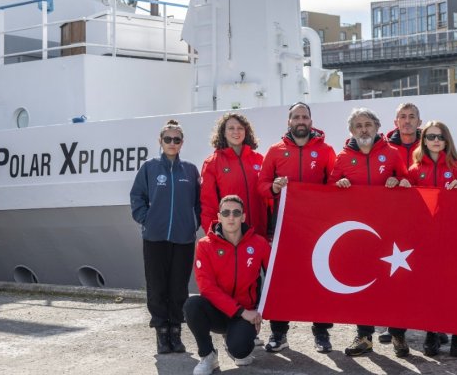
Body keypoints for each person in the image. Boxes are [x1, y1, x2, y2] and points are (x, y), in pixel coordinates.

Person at [257, 102, 337, 353]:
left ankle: (321, 332)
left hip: (317, 226)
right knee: (282, 279)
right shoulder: (275, 150)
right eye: (296, 117)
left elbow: (334, 184)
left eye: (305, 116)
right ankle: (279, 333)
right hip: (283, 226)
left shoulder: (326, 150)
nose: (300, 120)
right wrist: (274, 188)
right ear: (289, 122)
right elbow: (262, 185)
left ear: (311, 122)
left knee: (319, 276)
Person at [330, 107, 410, 357]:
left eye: (367, 124)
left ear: (376, 127)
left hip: (390, 231)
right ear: (352, 131)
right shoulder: (342, 157)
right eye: (358, 126)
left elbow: (408, 183)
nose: (363, 129)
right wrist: (339, 184)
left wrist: (397, 181)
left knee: (393, 284)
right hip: (359, 233)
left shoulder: (393, 153)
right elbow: (328, 189)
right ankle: (364, 337)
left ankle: (397, 335)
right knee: (361, 283)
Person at [129, 119, 200, 355]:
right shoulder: (149, 168)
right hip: (155, 237)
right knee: (157, 286)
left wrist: (194, 223)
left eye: (176, 139)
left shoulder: (190, 170)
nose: (172, 143)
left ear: (182, 143)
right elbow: (137, 195)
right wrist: (146, 219)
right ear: (160, 141)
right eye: (167, 139)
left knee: (178, 287)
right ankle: (161, 332)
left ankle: (175, 332)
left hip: (183, 238)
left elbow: (199, 203)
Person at [185, 194, 271, 375]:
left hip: (245, 314)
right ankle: (208, 356)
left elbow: (275, 277)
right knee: (192, 305)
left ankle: (232, 341)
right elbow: (207, 288)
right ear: (219, 216)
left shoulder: (259, 243)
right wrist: (241, 311)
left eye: (236, 212)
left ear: (243, 217)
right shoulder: (204, 245)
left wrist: (260, 311)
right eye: (226, 212)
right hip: (222, 312)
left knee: (240, 352)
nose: (231, 217)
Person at [402, 120, 457, 357]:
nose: (436, 140)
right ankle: (432, 331)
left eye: (440, 136)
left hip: (453, 237)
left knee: (453, 286)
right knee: (429, 286)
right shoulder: (415, 169)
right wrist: (402, 186)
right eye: (430, 137)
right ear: (424, 140)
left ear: (447, 139)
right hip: (425, 238)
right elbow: (406, 204)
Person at [200, 113, 266, 234]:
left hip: (259, 232)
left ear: (246, 132)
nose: (236, 131)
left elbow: (269, 197)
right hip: (230, 235)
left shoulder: (259, 159)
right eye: (231, 128)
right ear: (223, 133)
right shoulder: (212, 163)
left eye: (240, 128)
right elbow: (208, 203)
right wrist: (212, 233)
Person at [386, 102, 422, 168]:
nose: (407, 121)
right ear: (396, 122)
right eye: (403, 117)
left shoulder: (428, 147)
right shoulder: (386, 148)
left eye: (412, 117)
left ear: (419, 122)